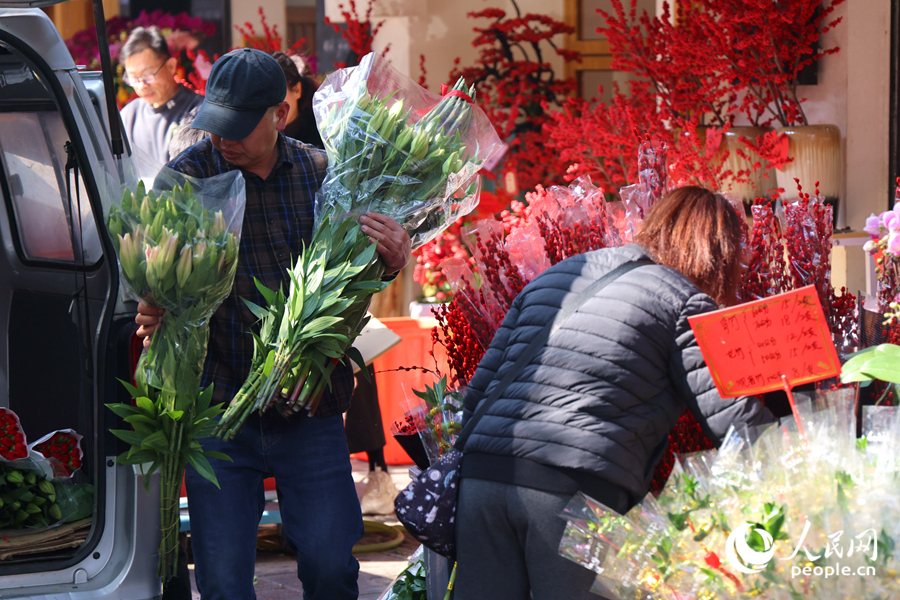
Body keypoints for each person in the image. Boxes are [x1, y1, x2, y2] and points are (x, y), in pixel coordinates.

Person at [135, 48, 411, 600]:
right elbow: (150, 283)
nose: (223, 139)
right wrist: (150, 303)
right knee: (222, 581)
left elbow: (354, 279)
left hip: (308, 409)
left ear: (280, 115)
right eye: (216, 125)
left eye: (239, 127)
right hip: (219, 409)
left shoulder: (325, 176)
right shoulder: (184, 179)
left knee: (333, 567)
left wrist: (395, 255)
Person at [453, 186, 774, 600]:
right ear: (719, 254)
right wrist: (801, 461)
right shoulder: (683, 302)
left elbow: (478, 394)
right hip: (574, 492)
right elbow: (735, 422)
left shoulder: (559, 274)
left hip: (483, 478)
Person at [119, 26, 203, 164]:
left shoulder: (197, 111)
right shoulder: (129, 115)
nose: (141, 85)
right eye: (133, 78)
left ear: (171, 66)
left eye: (148, 75)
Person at [270, 51, 324, 148]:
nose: (270, 102)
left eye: (276, 92)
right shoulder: (253, 134)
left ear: (296, 90)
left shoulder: (323, 133)